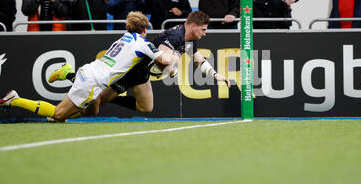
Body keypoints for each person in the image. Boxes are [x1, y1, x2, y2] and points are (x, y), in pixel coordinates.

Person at [0, 11, 179, 122]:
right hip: (93, 81)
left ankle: (70, 75)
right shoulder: (142, 43)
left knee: (92, 110)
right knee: (58, 114)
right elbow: (163, 60)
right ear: (144, 29)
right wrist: (173, 57)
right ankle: (15, 99)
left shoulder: (124, 37)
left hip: (90, 72)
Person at [48, 11, 230, 115]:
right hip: (131, 71)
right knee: (95, 106)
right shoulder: (175, 36)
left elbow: (197, 59)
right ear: (192, 26)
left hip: (143, 74)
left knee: (146, 108)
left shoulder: (188, 40)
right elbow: (163, 60)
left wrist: (216, 75)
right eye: (203, 29)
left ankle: (113, 98)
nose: (205, 33)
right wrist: (171, 69)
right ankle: (67, 88)